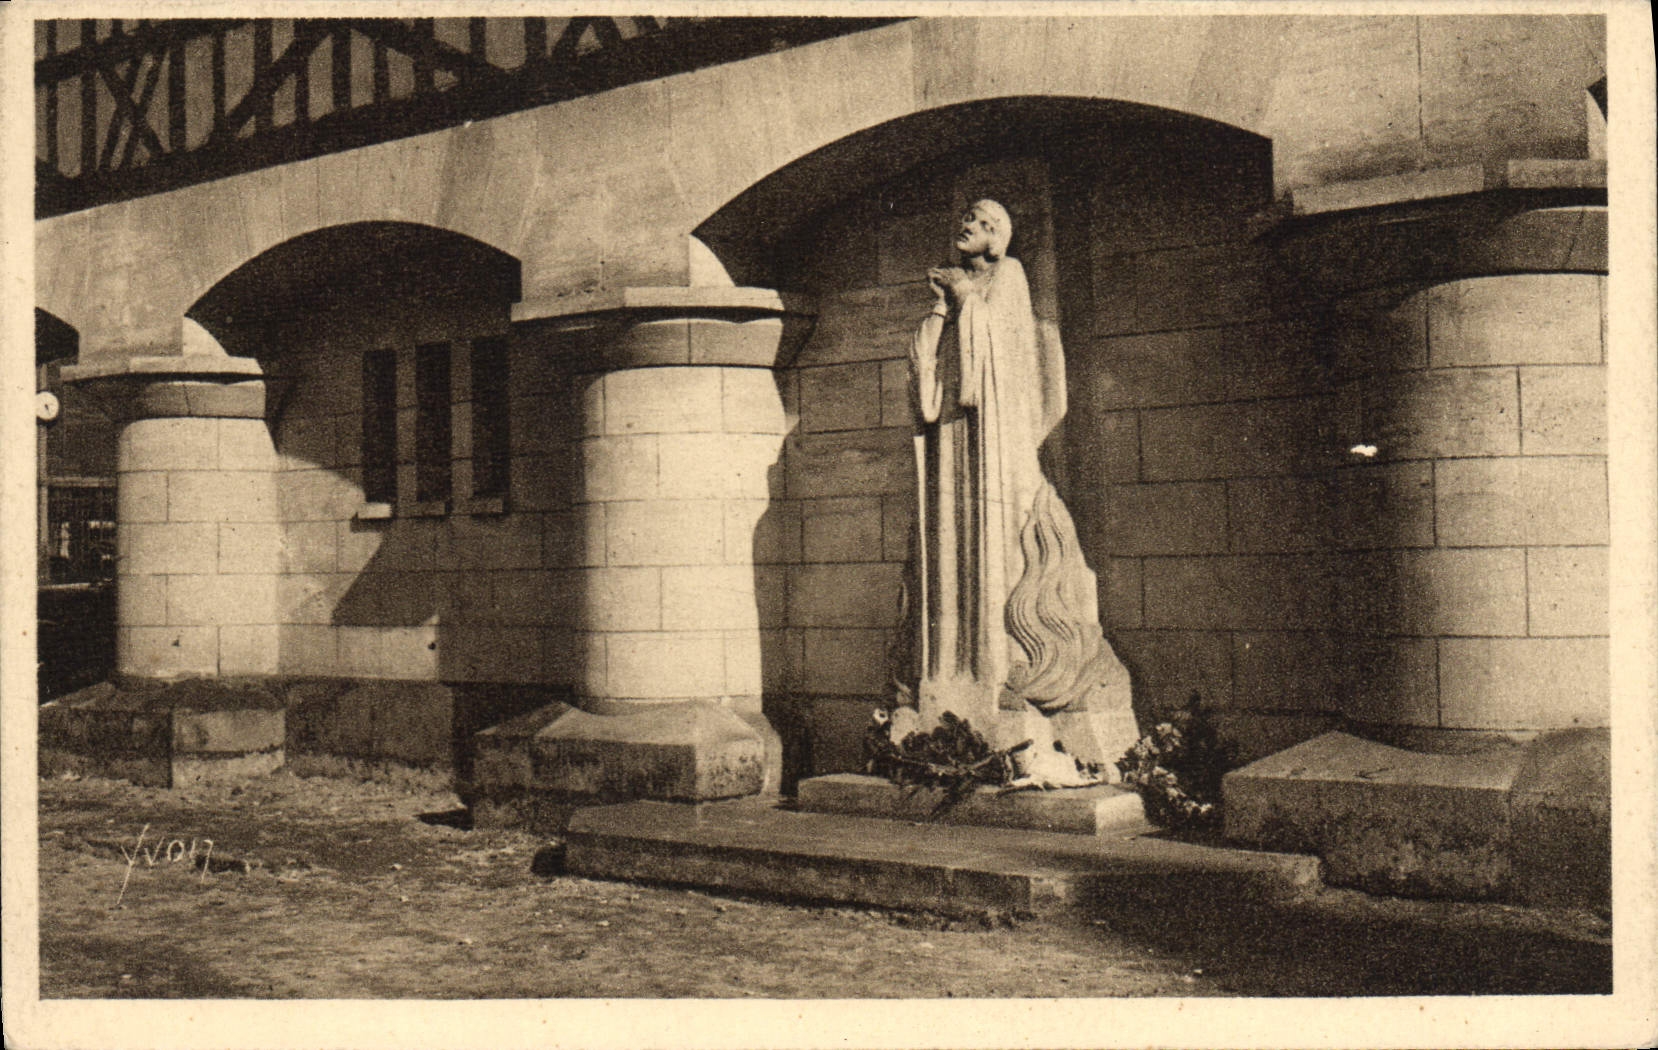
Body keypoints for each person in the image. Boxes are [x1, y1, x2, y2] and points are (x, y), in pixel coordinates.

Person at [901, 200, 1135, 780]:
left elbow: (1005, 354)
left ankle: (999, 676)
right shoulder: (962, 285)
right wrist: (938, 313)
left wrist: (962, 299)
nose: (967, 227)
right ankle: (948, 690)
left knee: (997, 541)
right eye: (965, 220)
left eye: (980, 222)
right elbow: (930, 363)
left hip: (995, 441)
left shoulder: (1009, 275)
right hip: (951, 438)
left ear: (999, 235)